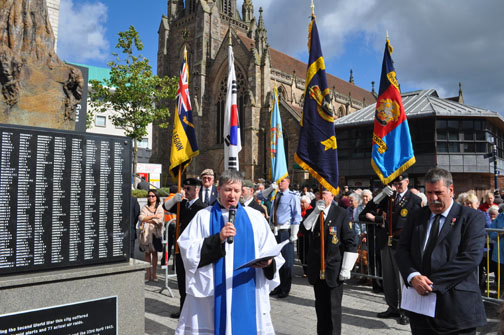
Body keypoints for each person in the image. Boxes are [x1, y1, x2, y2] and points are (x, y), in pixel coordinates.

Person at [175, 170, 284, 334]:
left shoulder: (255, 218)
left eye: (236, 190)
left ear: (242, 191)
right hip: (213, 294)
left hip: (247, 288)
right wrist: (217, 238)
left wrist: (269, 263)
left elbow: (272, 252)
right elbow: (188, 251)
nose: (232, 195)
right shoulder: (203, 217)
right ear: (218, 189)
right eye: (227, 189)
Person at [396, 168, 487, 334]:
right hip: (421, 312)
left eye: (438, 192)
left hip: (457, 312)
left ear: (451, 190)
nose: (433, 198)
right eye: (429, 193)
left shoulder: (471, 218)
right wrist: (413, 277)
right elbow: (402, 250)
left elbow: (470, 258)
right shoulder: (416, 216)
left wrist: (430, 284)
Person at [303, 187, 358, 335]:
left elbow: (350, 242)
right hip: (317, 269)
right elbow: (305, 228)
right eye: (317, 194)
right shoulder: (313, 212)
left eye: (324, 194)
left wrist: (346, 268)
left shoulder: (341, 213)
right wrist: (315, 212)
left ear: (332, 196)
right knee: (321, 310)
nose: (320, 197)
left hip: (334, 268)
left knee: (333, 310)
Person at [373, 172, 422, 325]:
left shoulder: (414, 200)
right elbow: (372, 207)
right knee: (388, 277)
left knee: (403, 280)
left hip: (402, 243)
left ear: (407, 182)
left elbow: (417, 224)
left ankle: (406, 310)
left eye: (401, 184)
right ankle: (392, 306)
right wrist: (382, 194)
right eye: (396, 184)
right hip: (386, 241)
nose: (398, 187)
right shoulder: (388, 198)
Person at [163, 178, 207, 319]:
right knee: (182, 281)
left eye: (188, 189)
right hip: (180, 249)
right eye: (185, 188)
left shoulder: (202, 208)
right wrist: (174, 199)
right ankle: (183, 310)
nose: (185, 191)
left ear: (197, 190)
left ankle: (195, 311)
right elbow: (166, 207)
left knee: (192, 282)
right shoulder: (183, 204)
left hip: (194, 250)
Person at [268, 175, 302, 298]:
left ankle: (285, 288)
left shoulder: (292, 197)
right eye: (278, 181)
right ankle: (277, 286)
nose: (279, 183)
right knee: (276, 261)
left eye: (282, 180)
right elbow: (260, 196)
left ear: (288, 182)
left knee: (287, 261)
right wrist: (270, 188)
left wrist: (294, 234)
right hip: (274, 231)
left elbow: (296, 215)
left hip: (285, 231)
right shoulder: (275, 194)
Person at [139, 189, 164, 281]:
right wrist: (153, 216)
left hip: (155, 234)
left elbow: (159, 220)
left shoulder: (159, 207)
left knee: (155, 253)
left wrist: (147, 219)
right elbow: (141, 217)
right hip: (145, 234)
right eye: (149, 196)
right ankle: (148, 274)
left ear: (156, 197)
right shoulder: (145, 207)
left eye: (153, 196)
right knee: (147, 253)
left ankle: (154, 274)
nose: (150, 197)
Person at [298, 195, 313, 277]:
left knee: (307, 253)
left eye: (303, 202)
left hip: (307, 236)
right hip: (300, 235)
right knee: (301, 253)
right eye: (301, 202)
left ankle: (308, 270)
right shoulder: (299, 210)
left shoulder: (311, 210)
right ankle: (305, 269)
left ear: (308, 203)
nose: (302, 204)